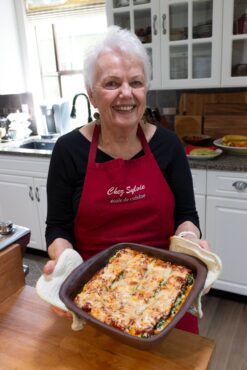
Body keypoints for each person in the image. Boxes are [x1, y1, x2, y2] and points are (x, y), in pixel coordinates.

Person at [44, 26, 210, 334]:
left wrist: (190, 245)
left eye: (135, 82)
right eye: (111, 83)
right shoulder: (69, 151)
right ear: (91, 93)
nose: (126, 93)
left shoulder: (169, 146)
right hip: (94, 293)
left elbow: (187, 216)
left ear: (146, 89)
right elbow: (57, 227)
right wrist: (65, 261)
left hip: (166, 288)